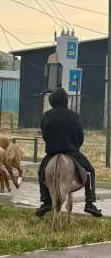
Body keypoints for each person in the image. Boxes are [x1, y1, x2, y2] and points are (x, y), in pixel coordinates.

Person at [35, 87, 102, 218]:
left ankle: (46, 201)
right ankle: (90, 203)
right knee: (90, 171)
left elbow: (45, 135)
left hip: (52, 153)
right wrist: (74, 146)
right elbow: (80, 137)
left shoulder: (46, 116)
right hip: (72, 152)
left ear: (52, 101)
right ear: (65, 101)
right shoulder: (74, 115)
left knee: (41, 172)